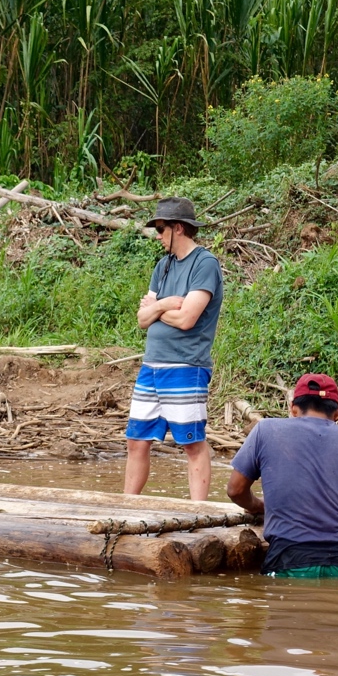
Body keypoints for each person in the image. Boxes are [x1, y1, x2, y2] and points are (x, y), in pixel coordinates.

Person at [227, 373, 338, 578]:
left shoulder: (266, 430)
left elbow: (235, 490)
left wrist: (258, 505)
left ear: (293, 408)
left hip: (288, 558)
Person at [125, 197, 223, 501]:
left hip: (185, 366)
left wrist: (157, 308)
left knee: (192, 443)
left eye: (160, 228)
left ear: (178, 228)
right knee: (136, 441)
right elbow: (142, 319)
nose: (157, 234)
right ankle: (127, 506)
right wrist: (165, 304)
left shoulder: (204, 264)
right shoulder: (163, 265)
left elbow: (187, 319)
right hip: (151, 366)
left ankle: (198, 511)